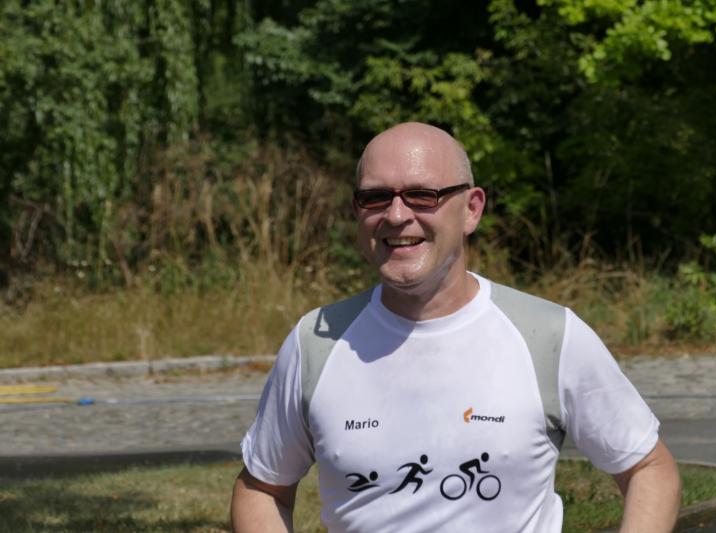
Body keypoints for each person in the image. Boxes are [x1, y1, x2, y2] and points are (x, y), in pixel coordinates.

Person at [230, 122, 681, 532]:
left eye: (422, 195)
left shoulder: (548, 335)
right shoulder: (316, 342)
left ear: (471, 209)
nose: (396, 215)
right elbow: (262, 487)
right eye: (376, 197)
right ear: (357, 210)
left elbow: (649, 469)